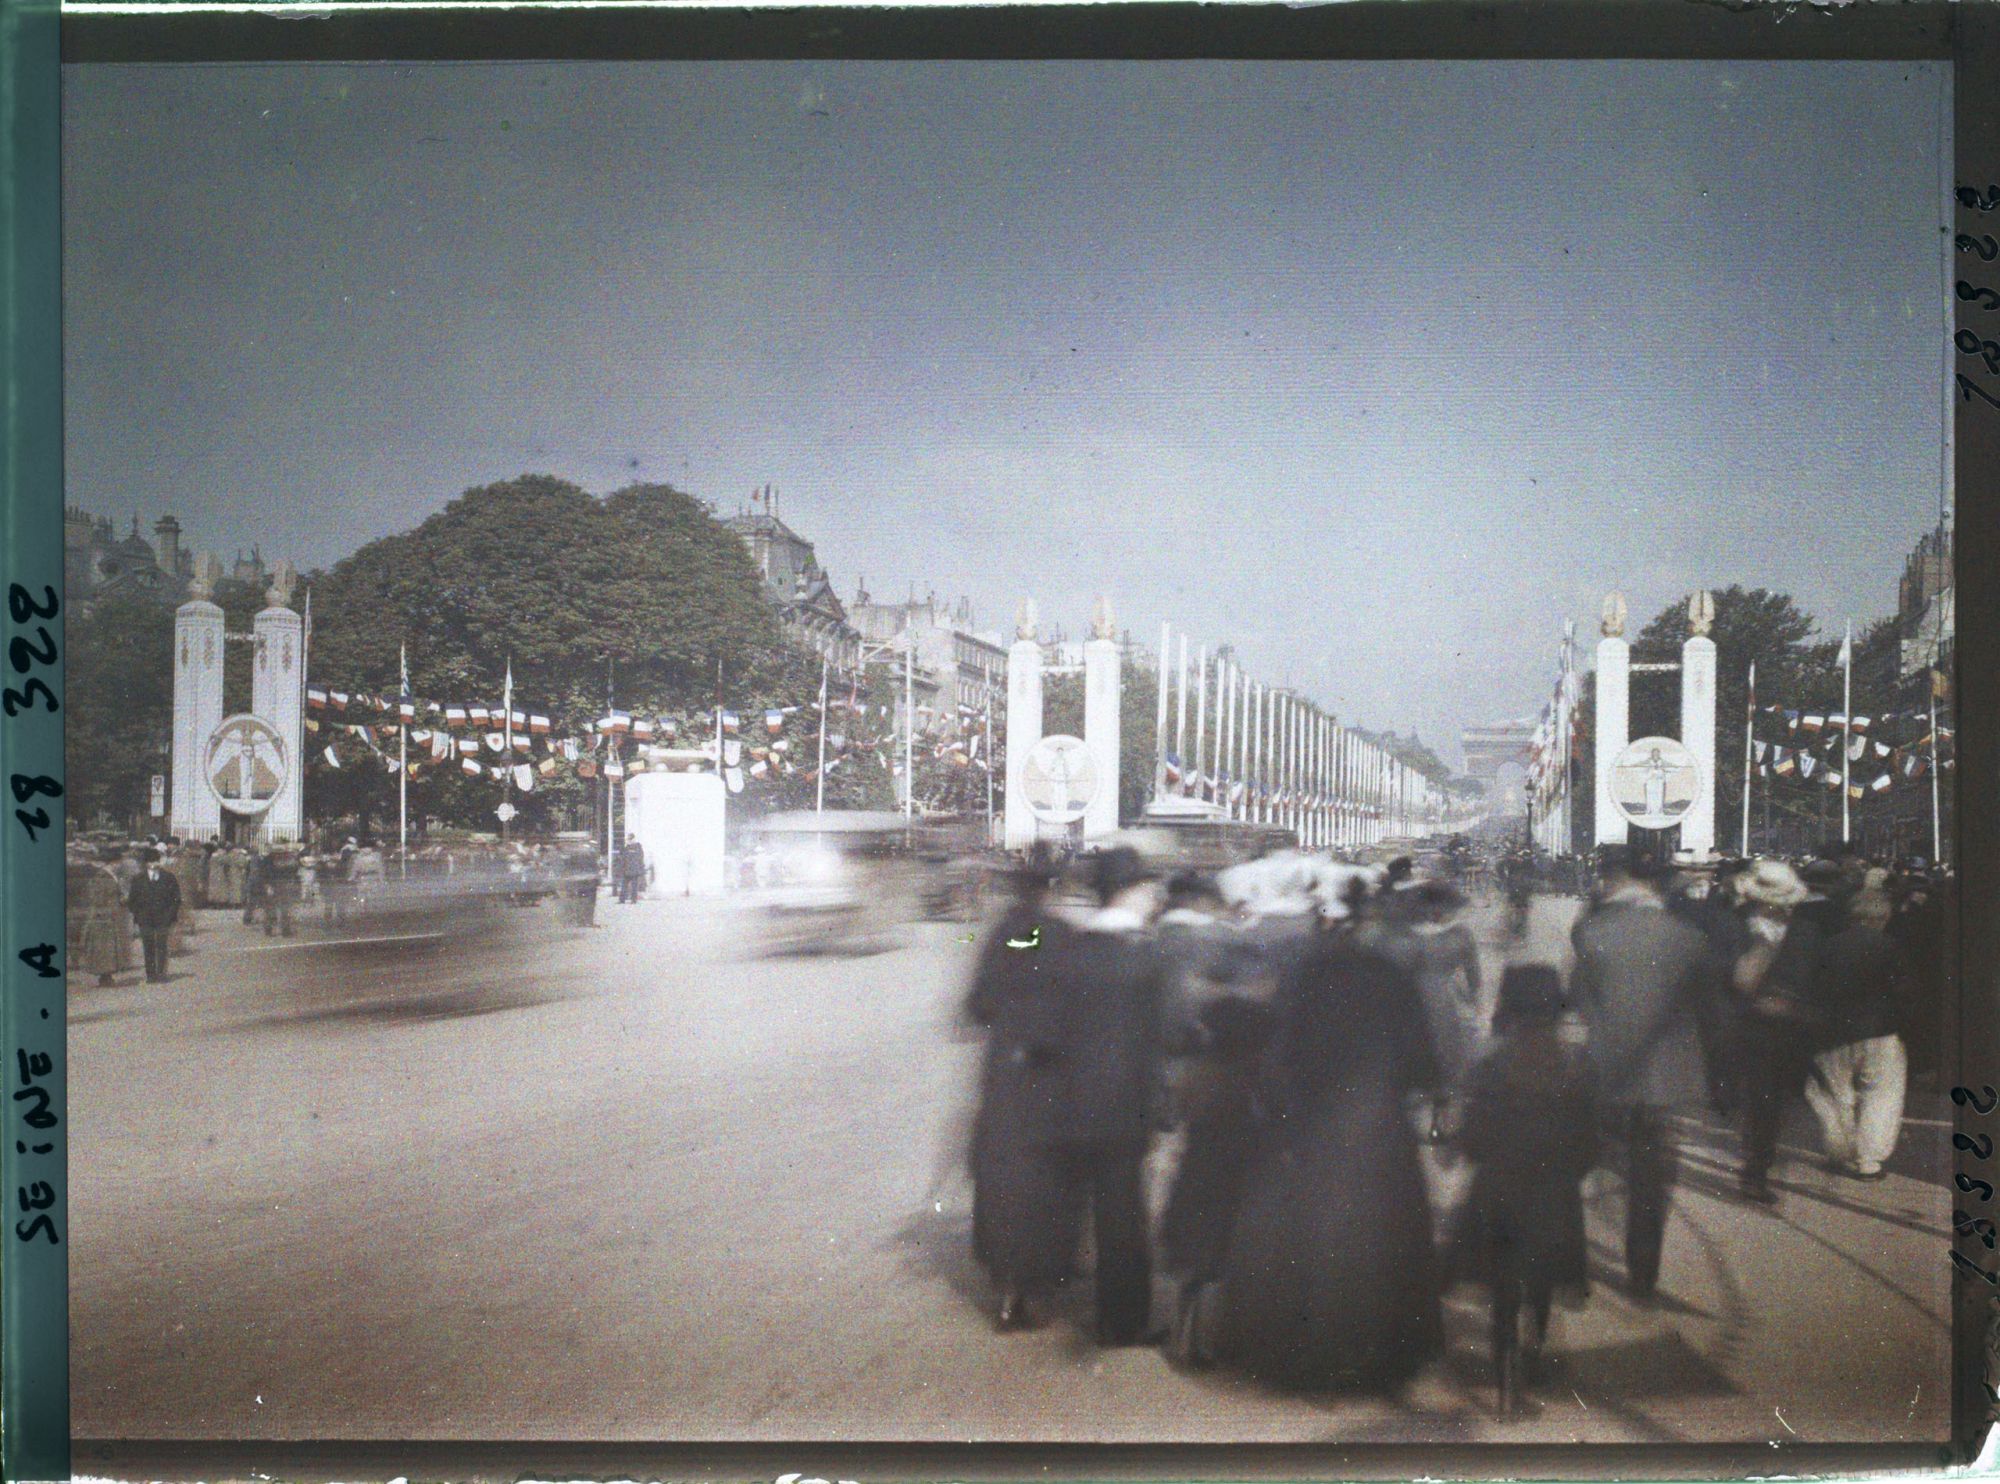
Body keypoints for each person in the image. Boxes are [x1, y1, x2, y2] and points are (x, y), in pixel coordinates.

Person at [1198, 878, 1443, 1392]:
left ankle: (1302, 1356)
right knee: (1379, 1241)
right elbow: (1423, 1061)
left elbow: (1276, 1054)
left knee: (1302, 1238)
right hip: (1378, 1132)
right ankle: (1376, 1359)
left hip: (1310, 1129)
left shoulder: (1304, 975)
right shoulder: (1392, 977)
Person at [968, 847, 1167, 1344]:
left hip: (1012, 1068)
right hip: (1044, 1071)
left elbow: (984, 999)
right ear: (1051, 889)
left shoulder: (1011, 932)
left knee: (1014, 1184)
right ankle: (1046, 1287)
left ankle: (1017, 1287)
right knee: (1055, 1192)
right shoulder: (1039, 932)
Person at [1569, 845, 1712, 1296]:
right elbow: (1703, 1010)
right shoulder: (1689, 937)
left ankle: (1572, 1270)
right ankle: (1643, 1276)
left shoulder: (1590, 934)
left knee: (1578, 1170)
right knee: (1651, 1184)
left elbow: (1580, 1001)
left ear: (1617, 879)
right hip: (1662, 1083)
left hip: (1604, 1075)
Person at [1458, 965, 1597, 1417]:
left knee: (1502, 1290)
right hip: (1553, 1192)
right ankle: (1534, 1357)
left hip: (1498, 1190)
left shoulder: (1489, 1062)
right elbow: (1589, 1144)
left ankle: (1503, 1387)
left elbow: (1473, 1140)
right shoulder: (1575, 1063)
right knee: (1541, 1283)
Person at [1727, 858, 1828, 1206]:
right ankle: (1755, 1172)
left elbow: (1816, 979)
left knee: (1773, 1104)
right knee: (1762, 1103)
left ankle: (1757, 1162)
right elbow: (1726, 980)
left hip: (1789, 1031)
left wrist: (1797, 1008)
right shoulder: (1736, 926)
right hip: (1748, 1030)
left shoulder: (1808, 931)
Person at [1804, 871, 1911, 1180]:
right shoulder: (1890, 947)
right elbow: (1905, 993)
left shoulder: (1827, 946)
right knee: (1880, 1097)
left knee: (1837, 1096)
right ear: (1884, 916)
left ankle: (1839, 1152)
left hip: (1833, 1033)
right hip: (1880, 1032)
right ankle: (1868, 1161)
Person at [70, 849, 134, 986]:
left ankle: (107, 976)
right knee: (104, 950)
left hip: (109, 916)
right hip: (104, 918)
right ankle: (105, 978)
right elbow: (98, 899)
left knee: (107, 949)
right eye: (118, 862)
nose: (119, 865)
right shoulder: (102, 876)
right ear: (113, 863)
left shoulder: (109, 875)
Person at [127, 846, 183, 984]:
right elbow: (132, 900)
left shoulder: (168, 878)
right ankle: (151, 974)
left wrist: (170, 916)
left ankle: (161, 973)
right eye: (150, 861)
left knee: (162, 945)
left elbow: (176, 899)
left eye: (156, 861)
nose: (153, 864)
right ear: (145, 863)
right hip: (144, 919)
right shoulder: (138, 879)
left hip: (164, 918)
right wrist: (139, 915)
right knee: (148, 946)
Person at [263, 843, 301, 937]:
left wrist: (267, 885)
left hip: (277, 885)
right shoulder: (287, 859)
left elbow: (264, 873)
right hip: (281, 885)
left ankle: (271, 929)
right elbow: (294, 870)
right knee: (283, 908)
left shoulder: (268, 859)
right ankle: (284, 930)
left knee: (274, 908)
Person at [617, 835, 647, 905]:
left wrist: (641, 869)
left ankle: (633, 900)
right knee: (624, 886)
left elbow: (640, 859)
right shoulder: (626, 847)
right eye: (627, 840)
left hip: (634, 870)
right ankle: (622, 900)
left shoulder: (637, 847)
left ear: (633, 839)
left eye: (629, 839)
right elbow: (622, 857)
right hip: (626, 869)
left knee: (634, 886)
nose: (628, 841)